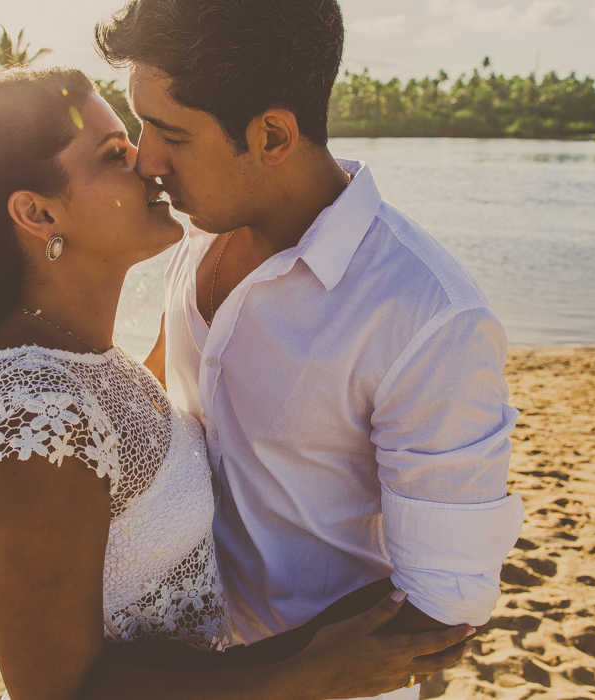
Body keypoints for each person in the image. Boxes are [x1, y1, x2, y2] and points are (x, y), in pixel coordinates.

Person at [0, 66, 475, 699]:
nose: (149, 163)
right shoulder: (35, 423)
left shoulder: (90, 361)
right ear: (39, 214)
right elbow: (58, 694)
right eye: (113, 154)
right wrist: (306, 675)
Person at [94, 1, 526, 698]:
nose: (146, 160)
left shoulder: (427, 314)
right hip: (175, 663)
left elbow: (443, 609)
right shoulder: (201, 227)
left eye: (170, 133)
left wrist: (250, 681)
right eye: (141, 124)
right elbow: (160, 397)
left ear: (271, 135)